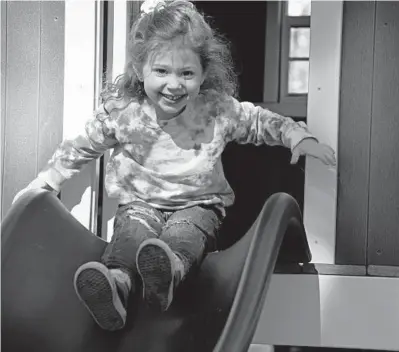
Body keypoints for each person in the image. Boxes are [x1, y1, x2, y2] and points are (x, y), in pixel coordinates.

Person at [12, 0, 336, 331]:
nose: (174, 84)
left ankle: (169, 272)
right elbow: (82, 145)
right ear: (140, 70)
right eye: (162, 71)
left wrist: (298, 136)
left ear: (203, 74)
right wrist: (47, 181)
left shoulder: (214, 111)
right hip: (140, 205)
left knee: (183, 236)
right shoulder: (125, 112)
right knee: (129, 238)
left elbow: (256, 122)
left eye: (186, 73)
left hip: (198, 207)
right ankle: (116, 286)